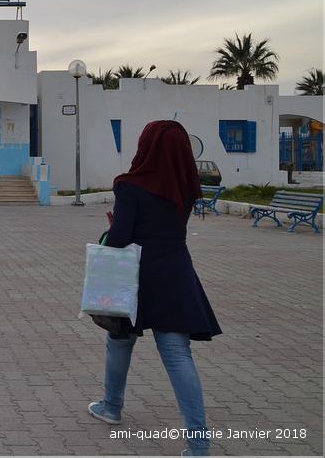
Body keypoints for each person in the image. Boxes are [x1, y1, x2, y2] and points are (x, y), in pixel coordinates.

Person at [88, 120, 221, 457]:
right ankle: (198, 446)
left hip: (135, 276)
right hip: (175, 274)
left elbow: (119, 239)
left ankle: (111, 406)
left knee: (119, 339)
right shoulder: (186, 187)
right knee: (178, 355)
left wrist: (113, 227)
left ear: (146, 145)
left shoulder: (130, 186)